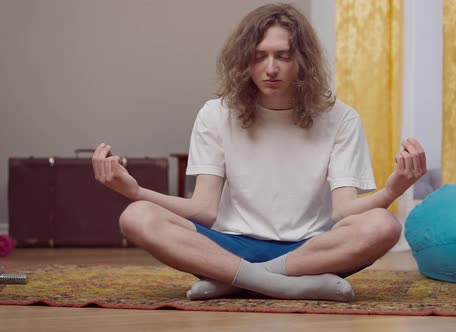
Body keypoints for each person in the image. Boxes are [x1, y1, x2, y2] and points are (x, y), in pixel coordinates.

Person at [92, 3, 426, 302]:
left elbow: (345, 213)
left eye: (283, 56)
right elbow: (203, 210)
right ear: (244, 60)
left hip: (310, 251)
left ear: (303, 60)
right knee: (136, 215)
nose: (270, 68)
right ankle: (286, 286)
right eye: (259, 55)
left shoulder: (341, 118)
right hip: (229, 247)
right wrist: (134, 192)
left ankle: (237, 282)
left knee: (384, 227)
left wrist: (393, 189)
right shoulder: (215, 114)